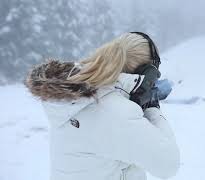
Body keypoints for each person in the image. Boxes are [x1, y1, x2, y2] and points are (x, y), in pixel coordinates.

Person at [25, 32, 180, 180]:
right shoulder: (114, 112)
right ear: (146, 73)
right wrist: (152, 108)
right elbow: (168, 164)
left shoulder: (76, 99)